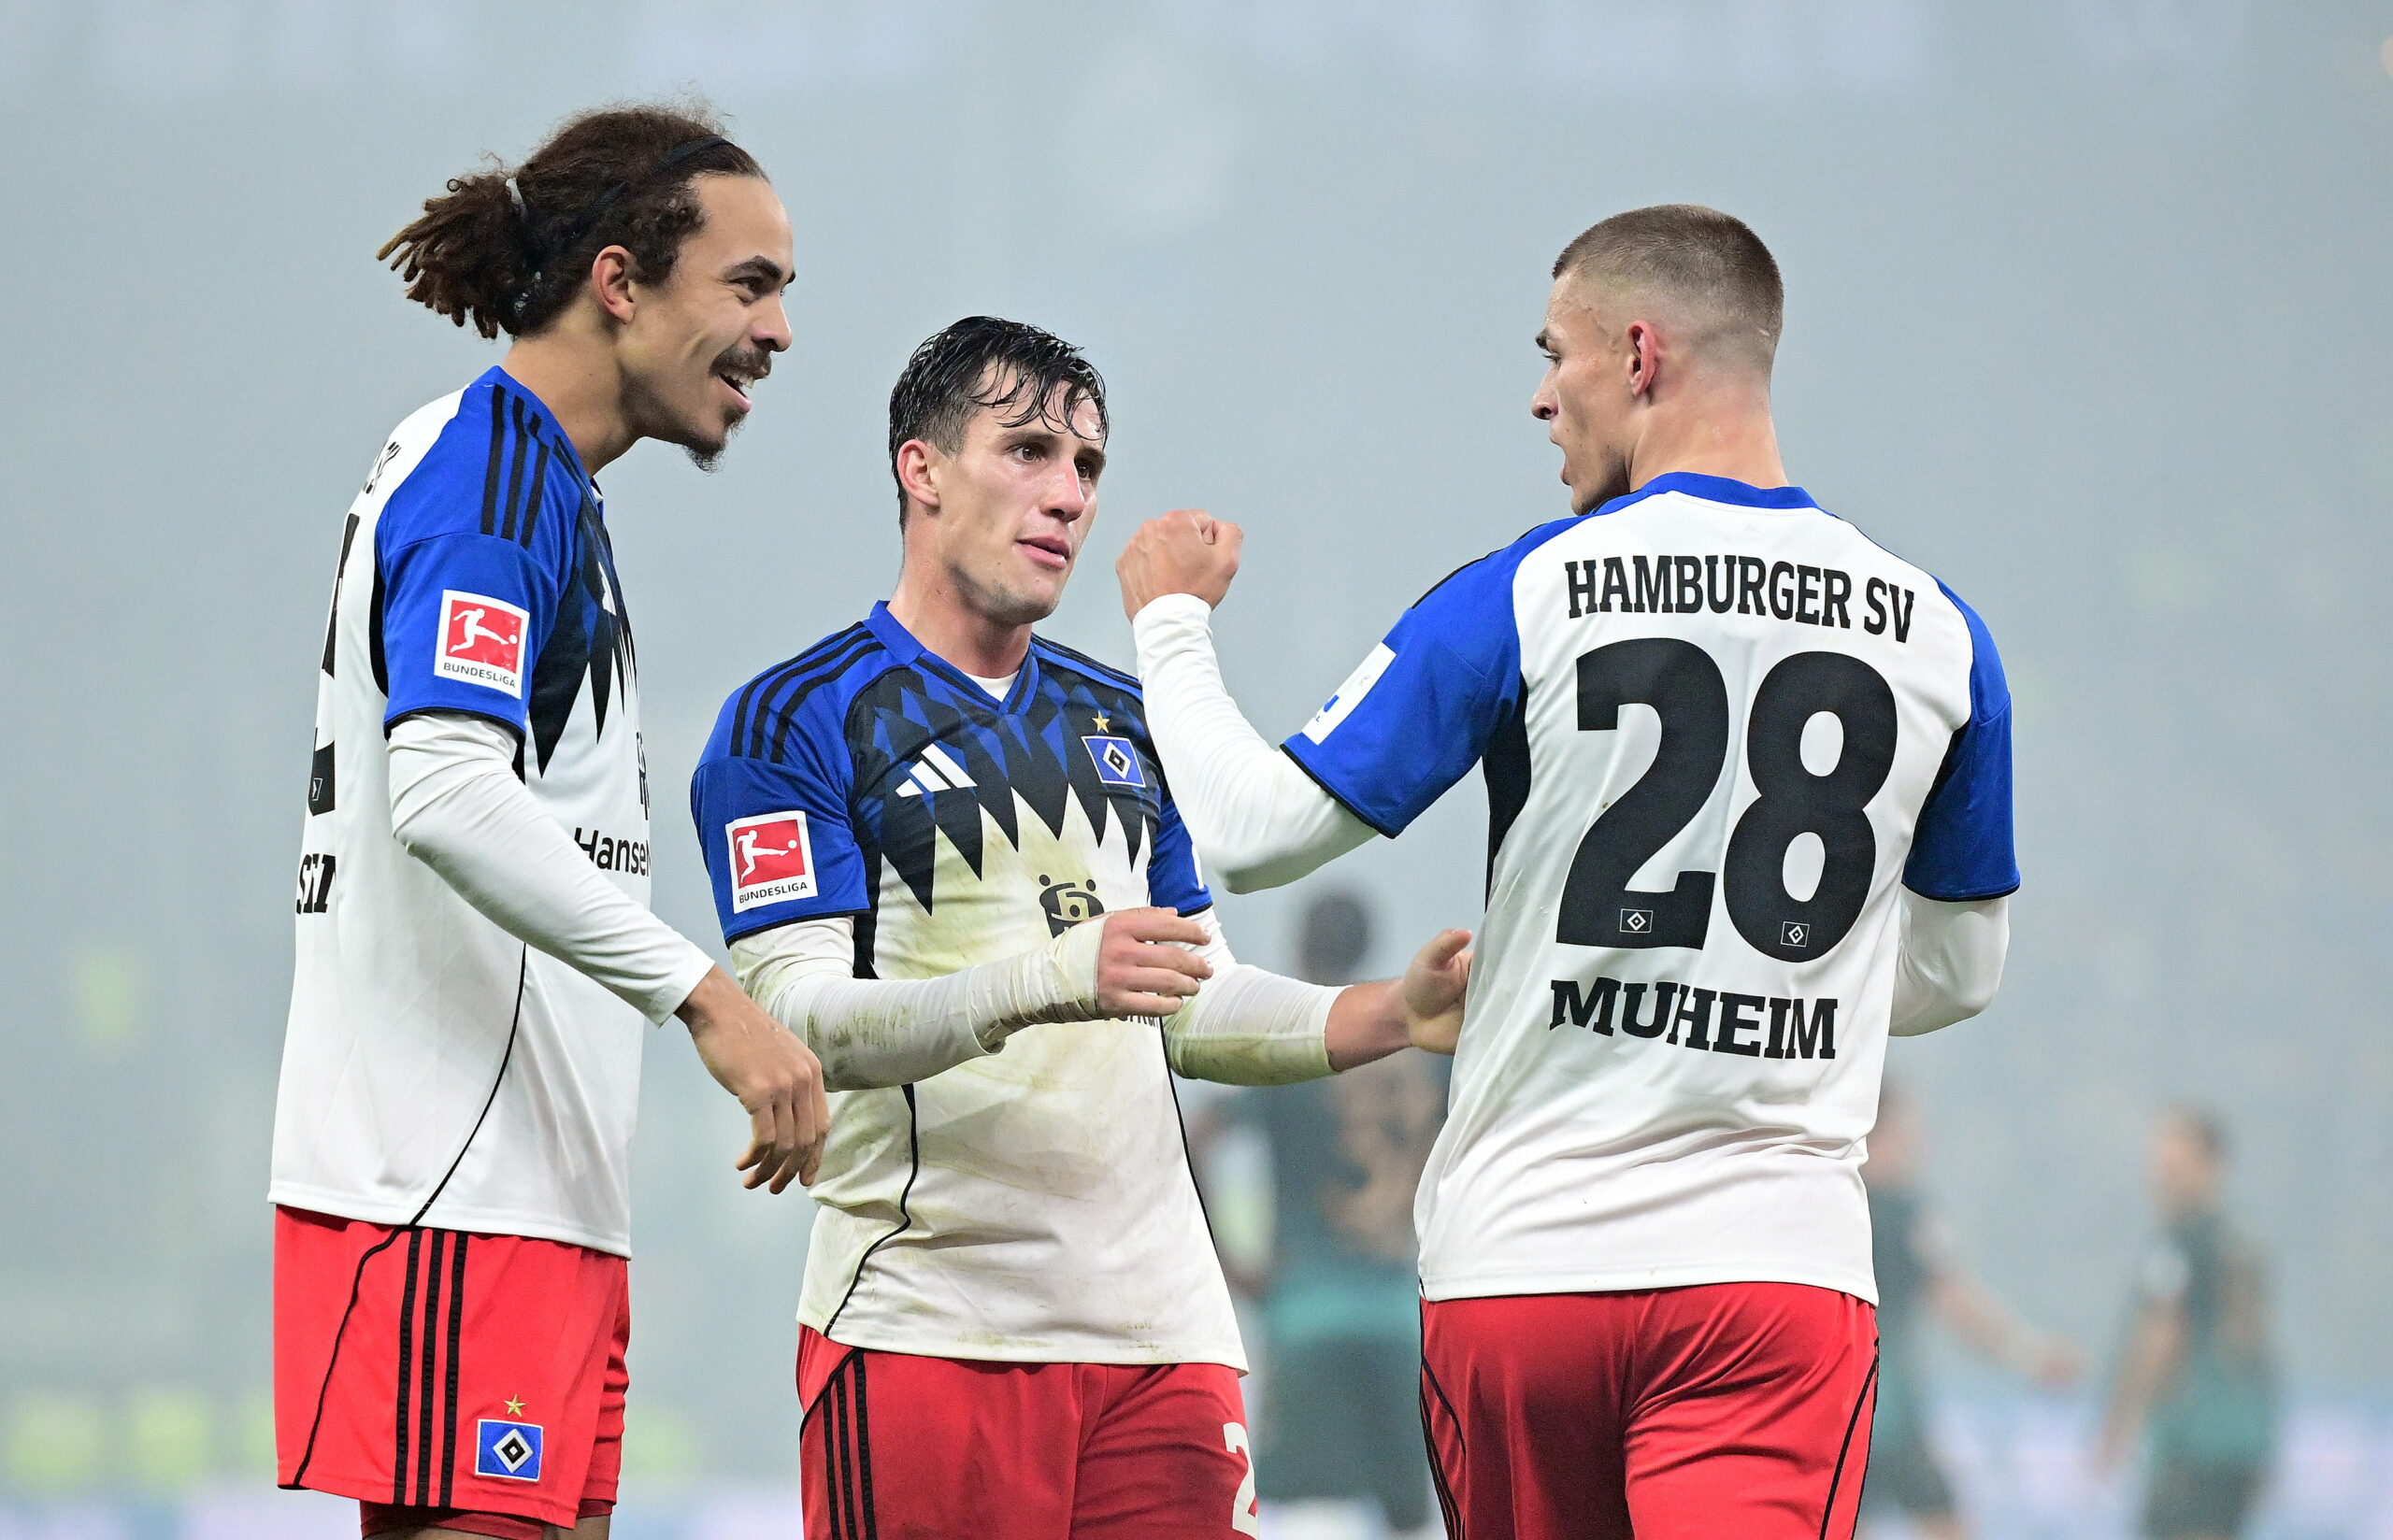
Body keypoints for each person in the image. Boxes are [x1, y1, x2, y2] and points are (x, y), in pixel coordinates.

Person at [1117, 204, 2018, 1539]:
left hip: (1525, 1275)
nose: (1541, 399)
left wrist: (1169, 625)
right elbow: (1958, 970)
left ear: (1639, 353)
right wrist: (1746, 978)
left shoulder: (1529, 591)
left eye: (1556, 355)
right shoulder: (1941, 633)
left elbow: (1255, 832)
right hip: (1772, 1285)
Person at [687, 316, 1471, 1540]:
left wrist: (1387, 1016)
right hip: (928, 1325)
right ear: (923, 468)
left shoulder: (1127, 716)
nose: (1066, 496)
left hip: (1167, 1342)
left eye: (1088, 468)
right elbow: (796, 1023)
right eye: (1030, 451)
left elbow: (1189, 1001)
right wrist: (1044, 978)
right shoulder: (793, 721)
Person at [271, 105, 828, 1540]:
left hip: (526, 1190)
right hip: (452, 1184)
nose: (776, 333)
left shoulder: (535, 484)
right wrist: (707, 995)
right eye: (749, 285)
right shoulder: (492, 475)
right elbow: (447, 794)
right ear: (621, 280)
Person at [1237, 892, 1444, 1538]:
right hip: (1408, 1318)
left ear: (1300, 945)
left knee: (1296, 1510)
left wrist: (1230, 1263)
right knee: (1409, 1509)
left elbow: (1205, 1131)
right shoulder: (1429, 1053)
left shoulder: (1286, 1045)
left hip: (1306, 1313)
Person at [1861, 1083, 2080, 1540]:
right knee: (1946, 1523)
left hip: (1837, 1407)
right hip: (1889, 1410)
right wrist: (2030, 1354)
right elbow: (1952, 1298)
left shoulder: (1833, 1200)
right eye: (1907, 1132)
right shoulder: (1904, 1211)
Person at [2100, 1107, 2277, 1540]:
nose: (2161, 1178)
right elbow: (2253, 1345)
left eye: (2174, 1167)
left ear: (2211, 1168)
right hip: (2241, 1443)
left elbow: (2161, 1336)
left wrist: (2119, 1424)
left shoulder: (2182, 1243)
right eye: (2159, 1167)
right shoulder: (2242, 1242)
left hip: (2196, 1442)